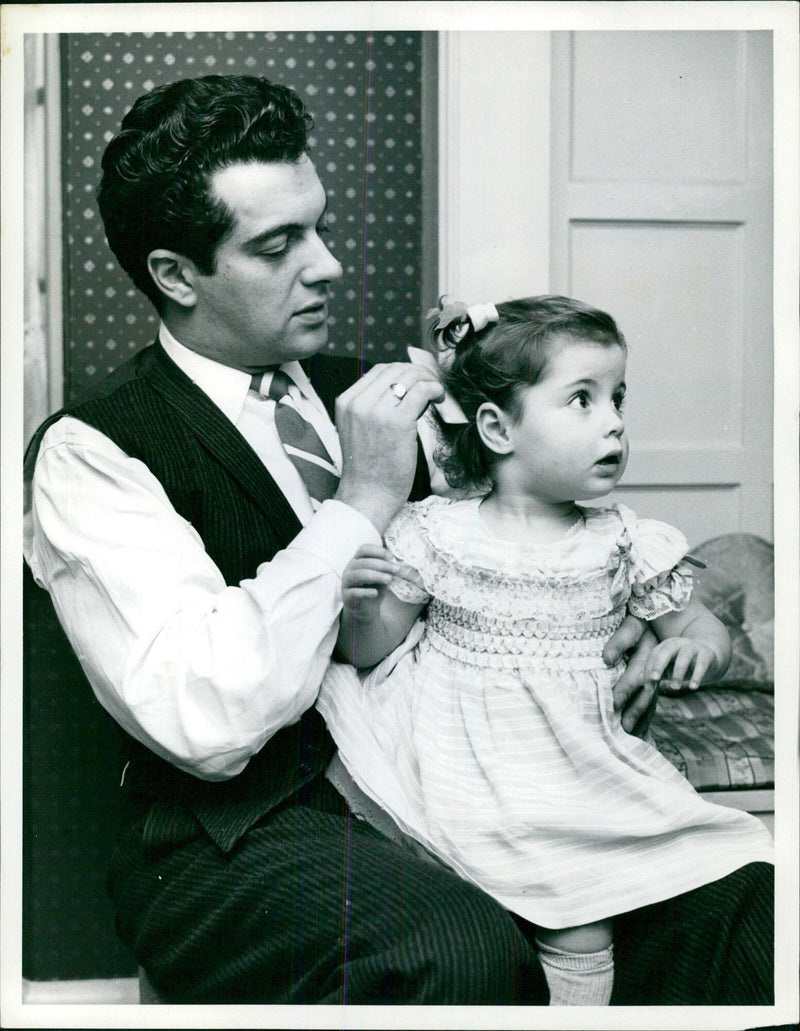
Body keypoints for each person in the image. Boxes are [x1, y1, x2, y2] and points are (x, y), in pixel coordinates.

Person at [22, 73, 771, 1005]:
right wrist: (361, 498)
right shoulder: (93, 450)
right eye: (278, 245)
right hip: (241, 831)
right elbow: (203, 720)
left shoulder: (393, 394)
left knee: (753, 912)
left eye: (321, 226)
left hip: (463, 776)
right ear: (177, 275)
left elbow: (531, 526)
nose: (329, 264)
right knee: (461, 950)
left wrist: (600, 621)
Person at [318, 295, 775, 1006]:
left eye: (619, 398)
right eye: (583, 401)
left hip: (574, 763)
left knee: (585, 907)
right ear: (499, 428)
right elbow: (369, 649)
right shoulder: (438, 531)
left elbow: (697, 625)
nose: (615, 422)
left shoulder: (624, 538)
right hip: (463, 757)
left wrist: (693, 653)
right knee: (492, 912)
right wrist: (362, 602)